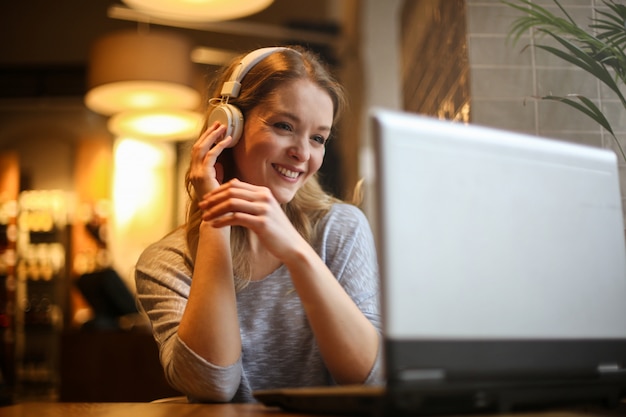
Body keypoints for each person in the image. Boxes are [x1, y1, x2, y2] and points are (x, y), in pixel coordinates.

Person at [134, 45, 383, 403]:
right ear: (226, 129)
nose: (303, 153)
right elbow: (213, 384)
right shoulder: (166, 262)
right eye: (284, 126)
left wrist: (296, 252)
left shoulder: (340, 228)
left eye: (318, 138)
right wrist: (214, 219)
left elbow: (370, 380)